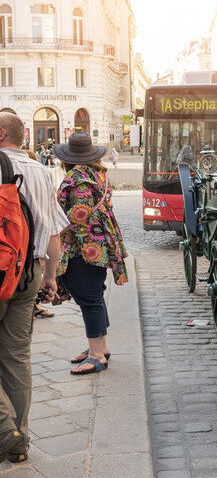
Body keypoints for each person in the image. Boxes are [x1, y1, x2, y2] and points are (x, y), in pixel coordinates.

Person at [0, 112, 68, 464]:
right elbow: (55, 233)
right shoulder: (43, 173)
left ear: (1, 134)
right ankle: (20, 441)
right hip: (29, 271)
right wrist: (50, 276)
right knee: (16, 357)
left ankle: (3, 428)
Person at [52, 133, 128, 375]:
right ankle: (100, 347)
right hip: (100, 243)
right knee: (95, 294)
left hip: (84, 248)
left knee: (89, 298)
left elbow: (78, 216)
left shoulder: (76, 178)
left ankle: (96, 356)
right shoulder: (97, 174)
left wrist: (60, 240)